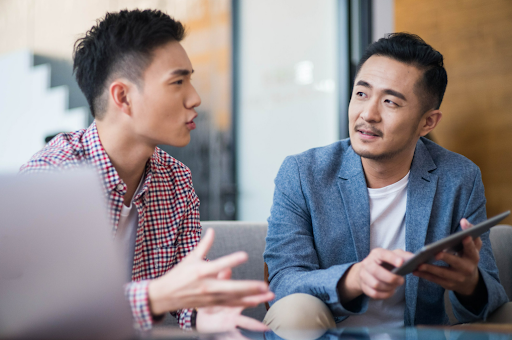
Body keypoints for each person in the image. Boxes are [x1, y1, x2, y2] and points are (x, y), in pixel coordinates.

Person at [20, 9, 273, 332]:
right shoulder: (51, 180)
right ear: (123, 97)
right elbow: (49, 311)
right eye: (178, 81)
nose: (195, 98)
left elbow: (188, 291)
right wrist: (154, 296)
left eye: (190, 80)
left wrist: (204, 313)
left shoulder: (176, 179)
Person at [263, 33, 508, 330]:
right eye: (361, 94)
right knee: (294, 311)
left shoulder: (459, 178)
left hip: (417, 335)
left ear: (427, 122)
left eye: (390, 102)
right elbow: (283, 282)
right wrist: (353, 278)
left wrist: (470, 284)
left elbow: (492, 295)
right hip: (329, 333)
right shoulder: (303, 173)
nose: (368, 114)